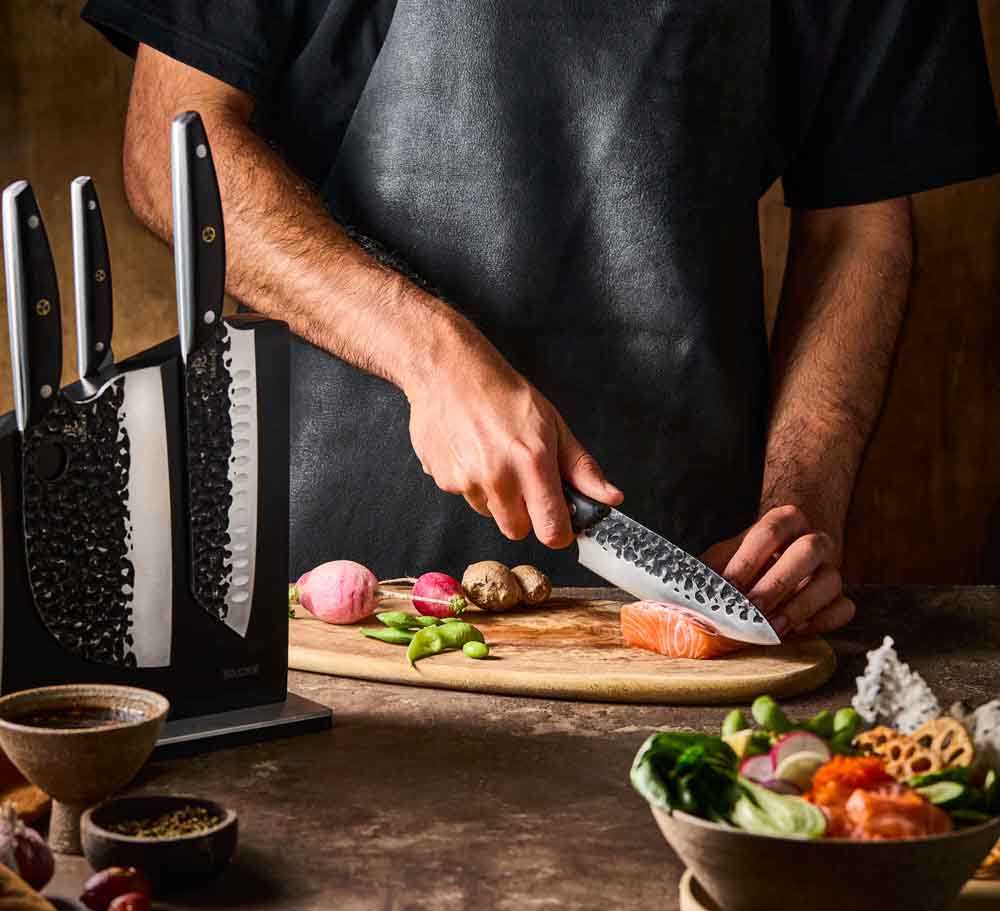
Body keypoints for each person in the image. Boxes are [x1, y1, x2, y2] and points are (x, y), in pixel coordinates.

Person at [83, 1, 1000, 637]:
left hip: (681, 581)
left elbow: (857, 228)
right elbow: (174, 149)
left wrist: (798, 506)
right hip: (309, 592)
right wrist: (430, 356)